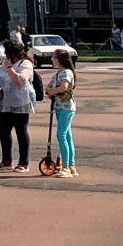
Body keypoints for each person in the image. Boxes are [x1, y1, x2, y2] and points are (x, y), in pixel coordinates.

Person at [0, 38, 36, 171]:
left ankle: (24, 163)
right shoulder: (6, 63)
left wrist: (9, 68)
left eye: (7, 52)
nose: (5, 55)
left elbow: (21, 81)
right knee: (4, 131)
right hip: (5, 102)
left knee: (21, 132)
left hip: (20, 102)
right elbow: (0, 79)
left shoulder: (26, 64)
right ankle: (7, 161)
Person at [45, 47, 78, 176]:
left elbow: (63, 87)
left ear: (59, 59)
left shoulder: (66, 73)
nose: (52, 59)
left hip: (66, 108)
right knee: (67, 136)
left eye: (54, 57)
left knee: (61, 135)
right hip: (59, 107)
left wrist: (52, 91)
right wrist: (51, 91)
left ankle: (66, 167)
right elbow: (48, 87)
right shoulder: (58, 73)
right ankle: (71, 165)